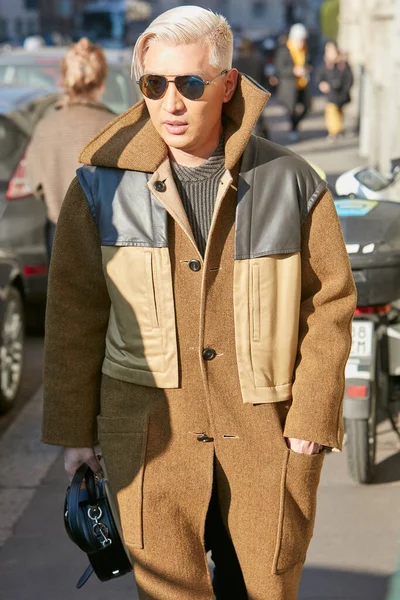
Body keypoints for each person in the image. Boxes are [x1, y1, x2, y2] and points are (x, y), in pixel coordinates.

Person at [41, 6, 356, 600]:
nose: (171, 102)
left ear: (228, 83)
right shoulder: (99, 186)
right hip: (151, 443)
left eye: (189, 83)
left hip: (268, 444)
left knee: (263, 590)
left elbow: (331, 304)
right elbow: (75, 312)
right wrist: (75, 433)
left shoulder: (292, 181)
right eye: (154, 84)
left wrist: (311, 422)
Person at [26, 38, 114, 259]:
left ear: (64, 81)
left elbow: (35, 185)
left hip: (60, 235)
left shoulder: (46, 127)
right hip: (110, 235)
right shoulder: (116, 128)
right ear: (102, 82)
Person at [275, 22, 312, 142]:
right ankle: (293, 129)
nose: (301, 43)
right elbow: (280, 68)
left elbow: (308, 63)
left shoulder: (306, 49)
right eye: (299, 40)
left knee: (307, 106)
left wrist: (306, 68)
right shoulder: (284, 50)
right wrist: (294, 71)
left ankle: (295, 127)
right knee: (291, 109)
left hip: (303, 84)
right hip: (289, 86)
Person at [317, 41, 354, 141]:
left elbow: (349, 78)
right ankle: (334, 131)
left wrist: (345, 90)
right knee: (331, 112)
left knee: (339, 113)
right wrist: (322, 84)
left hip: (341, 94)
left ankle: (338, 130)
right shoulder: (325, 64)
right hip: (331, 94)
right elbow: (319, 77)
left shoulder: (343, 64)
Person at [233, 37, 269, 137]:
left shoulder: (235, 62)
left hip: (241, 95)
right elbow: (263, 78)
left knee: (244, 121)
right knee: (257, 120)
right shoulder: (258, 60)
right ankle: (261, 141)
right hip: (257, 94)